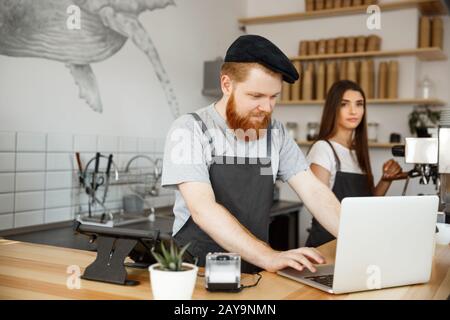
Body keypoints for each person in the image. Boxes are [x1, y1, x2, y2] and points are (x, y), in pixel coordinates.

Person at [161, 35, 342, 274]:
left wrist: (357, 239)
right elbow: (203, 209)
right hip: (196, 271)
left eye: (273, 97)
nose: (267, 108)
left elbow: (314, 191)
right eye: (256, 96)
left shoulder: (275, 133)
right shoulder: (191, 129)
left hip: (252, 267)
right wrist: (268, 256)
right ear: (227, 84)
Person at [305, 80, 407, 248]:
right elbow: (318, 206)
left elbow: (369, 204)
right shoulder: (323, 148)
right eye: (345, 104)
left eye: (359, 104)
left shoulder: (358, 152)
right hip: (326, 246)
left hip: (355, 243)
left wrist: (386, 180)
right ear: (333, 108)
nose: (354, 111)